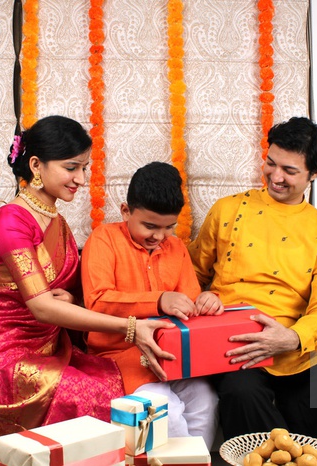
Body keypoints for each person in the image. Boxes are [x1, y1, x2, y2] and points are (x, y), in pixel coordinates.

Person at [0, 116, 175, 465]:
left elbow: (58, 294)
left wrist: (72, 298)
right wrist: (130, 327)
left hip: (47, 341)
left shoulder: (55, 219)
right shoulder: (11, 220)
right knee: (83, 391)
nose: (81, 179)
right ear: (36, 164)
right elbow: (40, 307)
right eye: (72, 168)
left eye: (84, 168)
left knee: (110, 385)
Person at [188, 117, 317, 457]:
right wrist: (200, 297)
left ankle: (314, 462)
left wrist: (292, 337)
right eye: (271, 163)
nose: (275, 176)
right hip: (238, 345)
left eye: (290, 170)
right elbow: (190, 273)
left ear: (315, 174)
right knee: (242, 393)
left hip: (294, 347)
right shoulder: (228, 209)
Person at [81, 161, 224, 449]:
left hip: (174, 359)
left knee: (207, 400)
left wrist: (207, 302)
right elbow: (97, 302)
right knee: (164, 410)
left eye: (169, 227)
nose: (159, 236)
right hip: (120, 358)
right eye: (149, 226)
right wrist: (158, 300)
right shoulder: (104, 239)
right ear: (125, 211)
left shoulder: (177, 249)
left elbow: (190, 308)